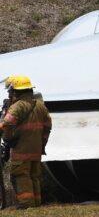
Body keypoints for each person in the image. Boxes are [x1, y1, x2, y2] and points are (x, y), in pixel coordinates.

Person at [1, 76, 51, 208]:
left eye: (10, 90)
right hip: (36, 149)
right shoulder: (40, 106)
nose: (9, 93)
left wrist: (7, 137)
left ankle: (26, 205)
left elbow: (6, 124)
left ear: (15, 90)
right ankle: (35, 204)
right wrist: (42, 144)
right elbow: (48, 127)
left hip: (21, 149)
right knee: (33, 176)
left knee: (20, 175)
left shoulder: (18, 106)